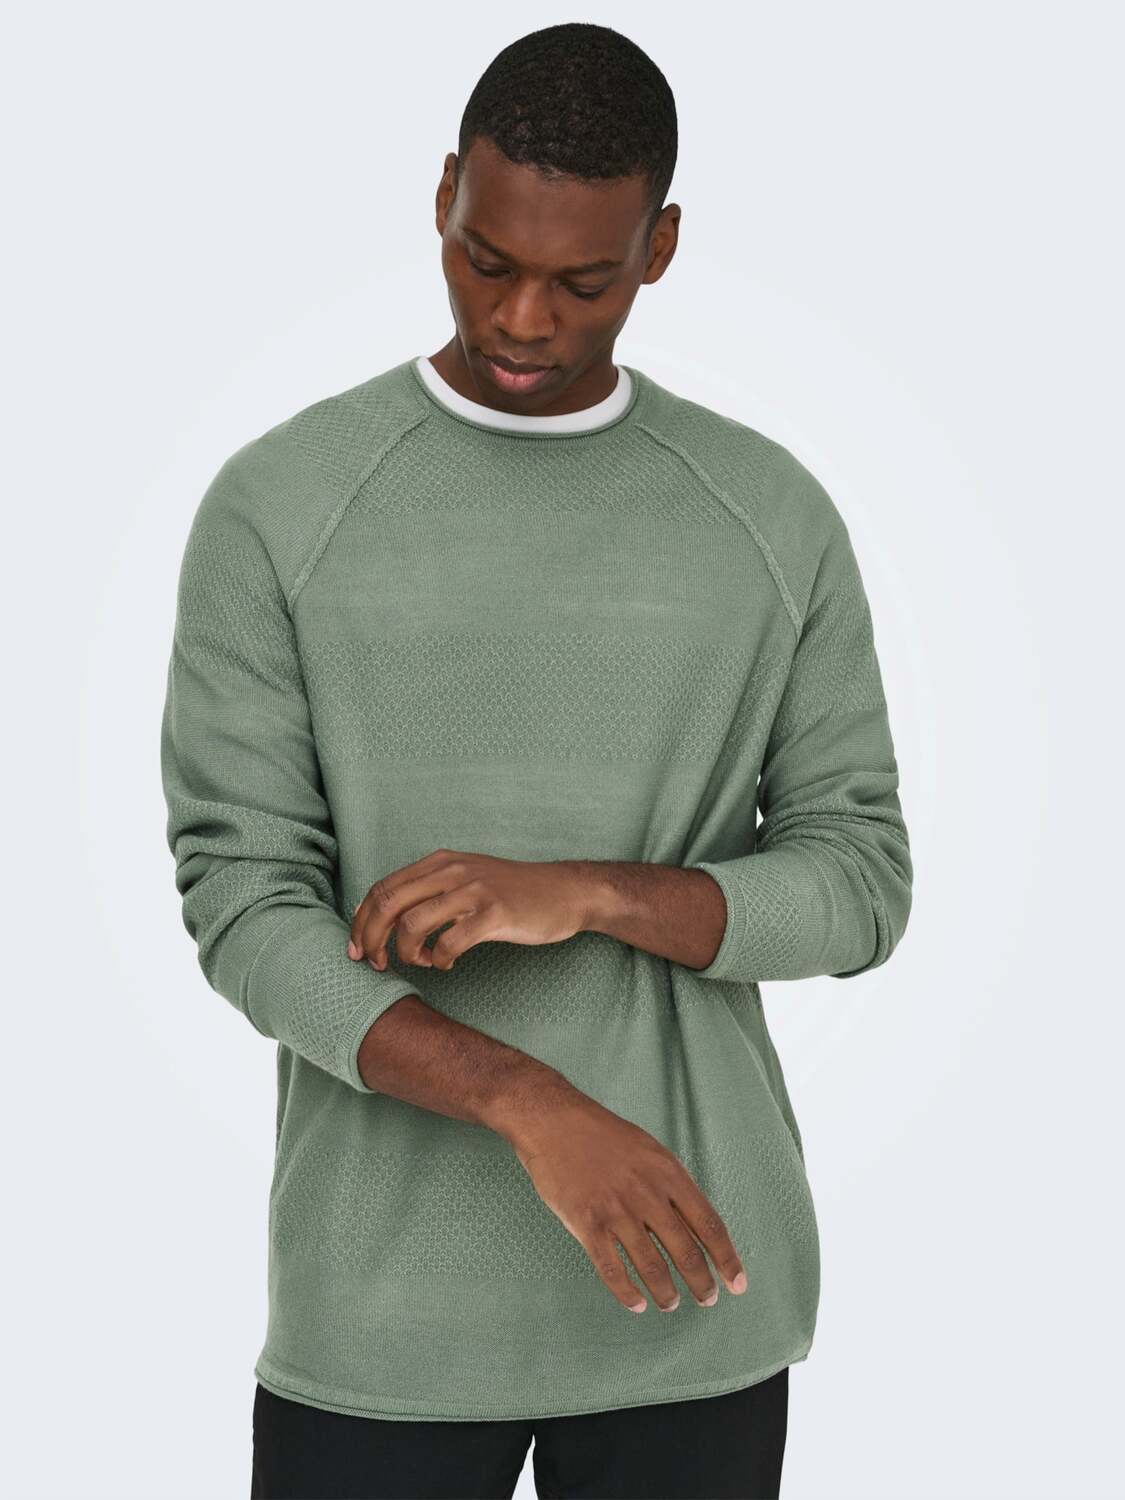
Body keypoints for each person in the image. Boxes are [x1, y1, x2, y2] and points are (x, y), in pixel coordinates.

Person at [160, 21, 913, 1500]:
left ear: (659, 247)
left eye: (582, 283)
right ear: (445, 193)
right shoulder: (283, 505)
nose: (519, 319)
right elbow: (244, 906)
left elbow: (860, 883)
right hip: (384, 1314)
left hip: (693, 1298)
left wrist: (583, 892)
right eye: (486, 260)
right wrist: (525, 1098)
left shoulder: (766, 514)